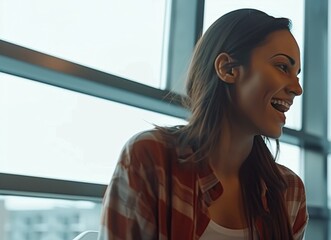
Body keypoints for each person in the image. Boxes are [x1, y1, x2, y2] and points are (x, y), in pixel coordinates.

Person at [100, 9, 307, 239]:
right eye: (282, 67)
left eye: (297, 74)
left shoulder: (289, 191)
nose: (297, 89)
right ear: (227, 69)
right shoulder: (151, 158)